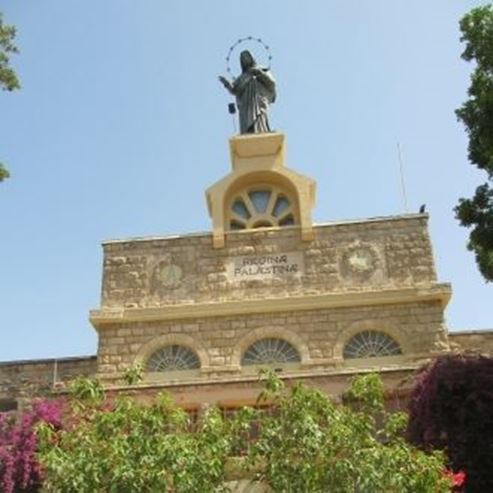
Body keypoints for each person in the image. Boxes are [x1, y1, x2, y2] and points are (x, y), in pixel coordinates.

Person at [219, 50, 276, 134]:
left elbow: (272, 83)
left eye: (247, 58)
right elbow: (235, 90)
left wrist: (259, 73)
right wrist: (227, 84)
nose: (246, 60)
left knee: (260, 115)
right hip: (246, 104)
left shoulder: (261, 69)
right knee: (246, 118)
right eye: (243, 59)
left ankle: (262, 130)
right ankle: (248, 132)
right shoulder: (241, 78)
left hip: (258, 99)